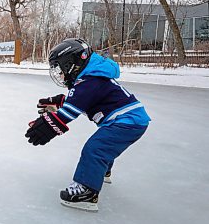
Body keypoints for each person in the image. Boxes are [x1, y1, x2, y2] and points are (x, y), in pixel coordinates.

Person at [25, 38, 150, 212]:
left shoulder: (90, 81)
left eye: (61, 70)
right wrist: (59, 102)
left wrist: (48, 125)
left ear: (72, 64)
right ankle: (102, 170)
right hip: (130, 121)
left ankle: (86, 191)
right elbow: (81, 100)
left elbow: (73, 108)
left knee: (95, 149)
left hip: (126, 122)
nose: (60, 75)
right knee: (104, 146)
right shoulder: (92, 78)